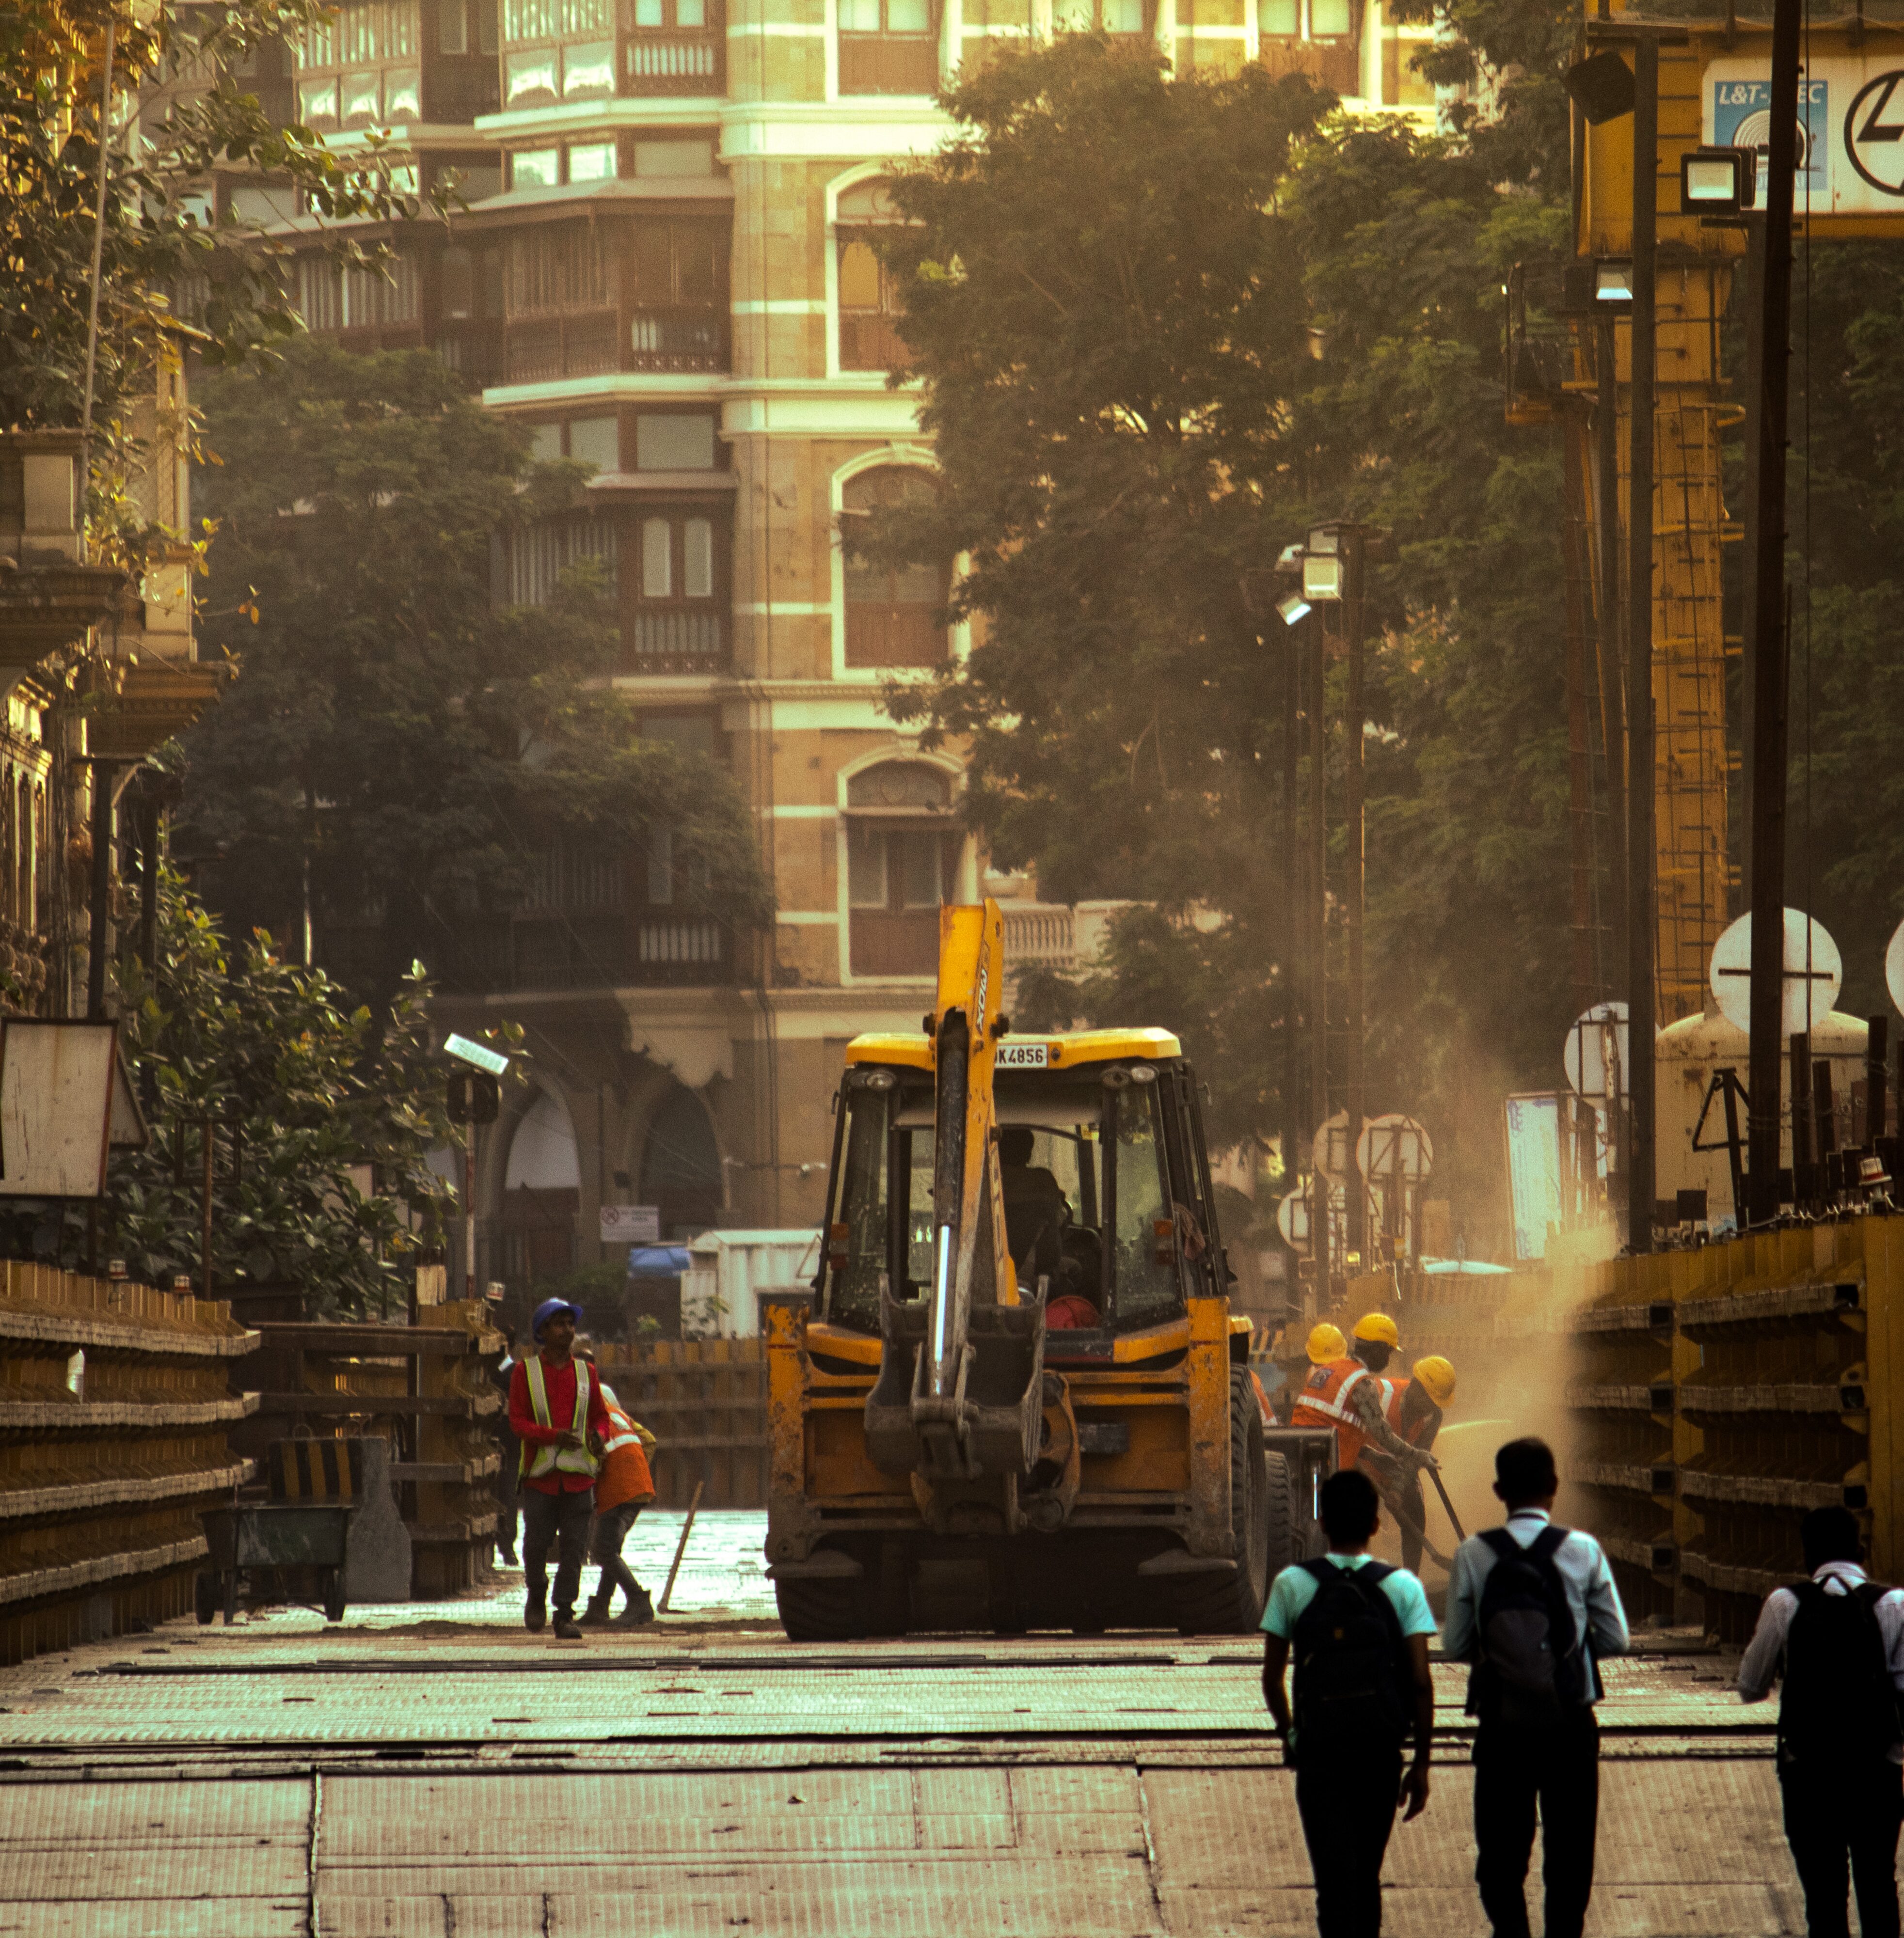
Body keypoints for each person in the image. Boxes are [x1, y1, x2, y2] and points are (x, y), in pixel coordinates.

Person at [1444, 1435, 1630, 1938]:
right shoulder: (1583, 1550)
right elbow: (1616, 1638)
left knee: (1501, 1858)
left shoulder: (1473, 1553)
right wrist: (1563, 1653)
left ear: (1498, 1490)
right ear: (1554, 1486)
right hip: (1569, 1724)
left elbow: (1455, 1644)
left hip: (1502, 1725)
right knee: (1569, 1857)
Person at [1261, 1467, 1437, 1938]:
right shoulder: (1403, 1586)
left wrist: (1291, 1735)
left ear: (1322, 1523)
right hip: (1379, 1752)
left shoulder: (1291, 1584)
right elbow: (1421, 1683)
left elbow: (1273, 1679)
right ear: (1377, 1524)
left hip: (1320, 1752)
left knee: (1332, 1885)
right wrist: (1421, 1763)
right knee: (1366, 1878)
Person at [1738, 1504, 1904, 1938]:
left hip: (1808, 1771)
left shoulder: (1785, 1603)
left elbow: (1749, 1685)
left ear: (1807, 1553)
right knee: (1878, 1883)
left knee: (1824, 1896)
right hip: (1877, 1768)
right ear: (1861, 1550)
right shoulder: (1894, 1603)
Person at [507, 1297, 609, 1639]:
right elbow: (518, 1422)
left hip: (579, 1478)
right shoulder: (525, 1373)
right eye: (559, 1324)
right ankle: (537, 1590)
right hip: (541, 1478)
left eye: (570, 1323)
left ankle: (564, 1613)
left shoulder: (586, 1373)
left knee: (574, 1549)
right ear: (543, 1331)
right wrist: (553, 1436)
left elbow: (600, 1416)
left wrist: (599, 1435)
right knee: (536, 1545)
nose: (568, 1330)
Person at [1291, 1313, 1435, 1481]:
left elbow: (1328, 1427)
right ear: (1378, 1350)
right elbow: (1383, 1435)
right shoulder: (1362, 1384)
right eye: (1388, 1353)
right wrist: (1417, 1455)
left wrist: (1372, 1456)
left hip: (1298, 1457)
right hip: (1321, 1472)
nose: (1388, 1360)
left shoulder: (1331, 1370)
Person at [1362, 1355, 1457, 1574]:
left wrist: (1397, 1489)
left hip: (1394, 1471)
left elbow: (1416, 1459)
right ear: (1417, 1388)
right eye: (1431, 1401)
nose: (1433, 1407)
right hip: (1361, 1465)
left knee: (1415, 1512)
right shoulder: (1380, 1393)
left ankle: (1410, 1579)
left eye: (1437, 1403)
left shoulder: (1434, 1416)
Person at [581, 1373, 660, 1628]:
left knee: (603, 1550)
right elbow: (649, 1440)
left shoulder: (586, 1419)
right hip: (637, 1487)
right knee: (611, 1548)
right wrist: (636, 1469)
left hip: (620, 1490)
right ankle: (601, 1605)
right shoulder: (617, 1415)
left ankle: (639, 1602)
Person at [492, 1326, 521, 1567]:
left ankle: (507, 1544)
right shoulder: (487, 1372)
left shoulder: (515, 1374)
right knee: (490, 1492)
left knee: (508, 1494)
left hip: (510, 1444)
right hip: (490, 1441)